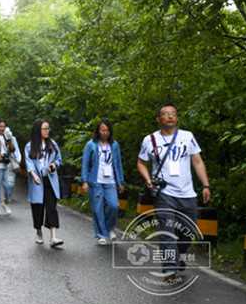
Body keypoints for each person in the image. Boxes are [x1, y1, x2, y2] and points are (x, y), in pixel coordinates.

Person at [137, 103, 211, 280]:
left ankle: (178, 257)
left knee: (188, 232)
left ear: (177, 118)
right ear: (158, 119)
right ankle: (170, 268)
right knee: (167, 232)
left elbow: (197, 161)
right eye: (166, 114)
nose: (170, 116)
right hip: (164, 193)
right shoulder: (150, 140)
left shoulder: (187, 136)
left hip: (187, 193)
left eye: (173, 113)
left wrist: (206, 185)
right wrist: (148, 180)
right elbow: (141, 163)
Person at [80, 119, 125, 245]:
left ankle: (109, 228)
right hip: (96, 181)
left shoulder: (114, 145)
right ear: (98, 131)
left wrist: (120, 181)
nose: (105, 133)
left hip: (111, 181)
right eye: (102, 130)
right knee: (97, 208)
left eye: (107, 130)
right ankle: (101, 235)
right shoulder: (91, 144)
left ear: (110, 131)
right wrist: (85, 181)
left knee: (114, 205)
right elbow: (85, 164)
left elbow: (118, 164)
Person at [25, 118, 63, 247]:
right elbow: (29, 163)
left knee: (51, 207)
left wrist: (54, 165)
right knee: (38, 208)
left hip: (50, 180)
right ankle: (39, 231)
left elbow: (59, 160)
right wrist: (34, 175)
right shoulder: (30, 146)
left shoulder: (53, 144)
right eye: (44, 129)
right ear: (38, 130)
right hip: (37, 181)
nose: (47, 131)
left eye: (48, 129)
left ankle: (54, 236)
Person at [2, 127, 21, 206]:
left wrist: (18, 159)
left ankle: (8, 195)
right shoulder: (0, 139)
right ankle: (6, 197)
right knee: (5, 181)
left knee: (11, 181)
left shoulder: (13, 139)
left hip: (12, 162)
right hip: (2, 162)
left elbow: (16, 149)